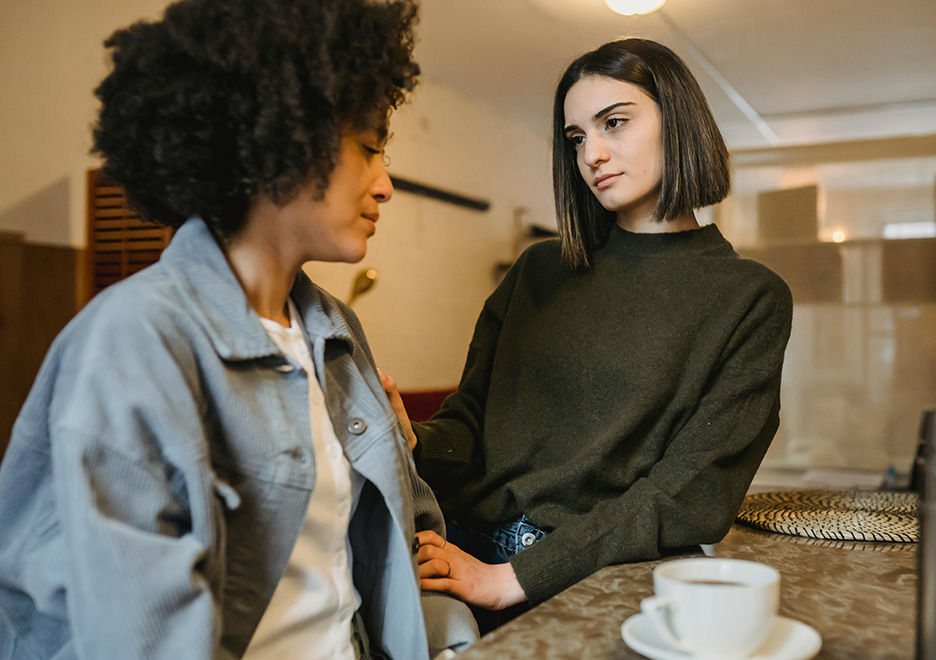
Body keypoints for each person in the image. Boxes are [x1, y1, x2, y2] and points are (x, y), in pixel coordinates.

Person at [0, 0, 477, 658]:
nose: (385, 184)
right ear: (280, 141)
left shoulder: (336, 332)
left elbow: (405, 539)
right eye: (369, 148)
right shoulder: (134, 339)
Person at [383, 38, 794, 625]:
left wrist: (513, 579)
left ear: (678, 120)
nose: (592, 154)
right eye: (576, 138)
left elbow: (690, 496)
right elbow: (472, 425)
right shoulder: (538, 270)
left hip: (590, 577)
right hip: (454, 547)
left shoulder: (749, 298)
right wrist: (414, 441)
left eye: (614, 123)